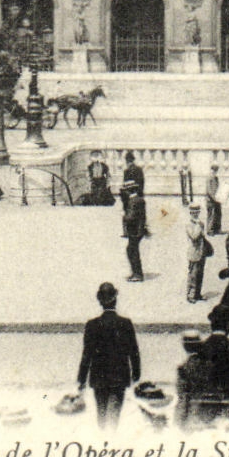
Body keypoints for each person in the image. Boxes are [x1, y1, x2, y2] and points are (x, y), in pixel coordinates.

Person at [76, 281, 141, 430]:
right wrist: (136, 374)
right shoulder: (125, 323)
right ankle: (110, 442)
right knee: (114, 415)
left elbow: (87, 355)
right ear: (115, 300)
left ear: (100, 301)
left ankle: (103, 443)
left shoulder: (92, 325)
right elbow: (134, 352)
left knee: (101, 413)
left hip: (98, 377)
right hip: (119, 376)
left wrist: (81, 379)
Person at [122, 180, 147, 281]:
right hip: (138, 229)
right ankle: (136, 273)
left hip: (134, 230)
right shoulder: (139, 199)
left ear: (129, 191)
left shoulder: (133, 201)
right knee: (132, 250)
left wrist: (124, 216)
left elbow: (130, 217)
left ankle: (137, 274)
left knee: (132, 251)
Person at [186, 204, 211, 302]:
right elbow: (194, 236)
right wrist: (198, 226)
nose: (195, 214)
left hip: (201, 252)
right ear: (190, 213)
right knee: (193, 275)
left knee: (200, 274)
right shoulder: (189, 224)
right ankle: (190, 295)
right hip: (193, 253)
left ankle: (197, 294)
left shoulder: (200, 223)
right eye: (193, 213)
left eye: (197, 212)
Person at [204, 166, 224, 235]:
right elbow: (209, 190)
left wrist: (220, 196)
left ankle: (217, 229)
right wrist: (214, 198)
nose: (214, 172)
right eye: (213, 170)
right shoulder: (209, 178)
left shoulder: (216, 178)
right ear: (211, 170)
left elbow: (219, 188)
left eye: (216, 170)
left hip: (217, 199)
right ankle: (209, 230)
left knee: (218, 214)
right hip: (210, 200)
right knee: (211, 215)